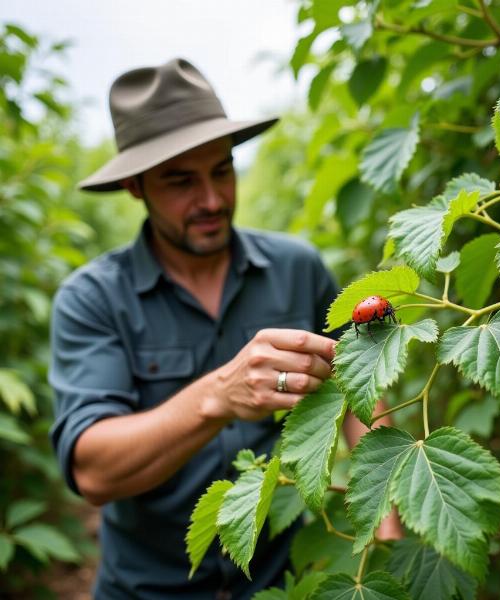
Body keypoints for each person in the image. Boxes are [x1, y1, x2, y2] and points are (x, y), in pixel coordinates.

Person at [50, 58, 397, 600]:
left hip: (281, 583)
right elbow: (93, 470)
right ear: (135, 186)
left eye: (221, 169)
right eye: (181, 181)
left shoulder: (298, 269)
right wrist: (218, 395)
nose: (211, 200)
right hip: (148, 589)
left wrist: (386, 533)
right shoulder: (92, 299)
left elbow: (358, 391)